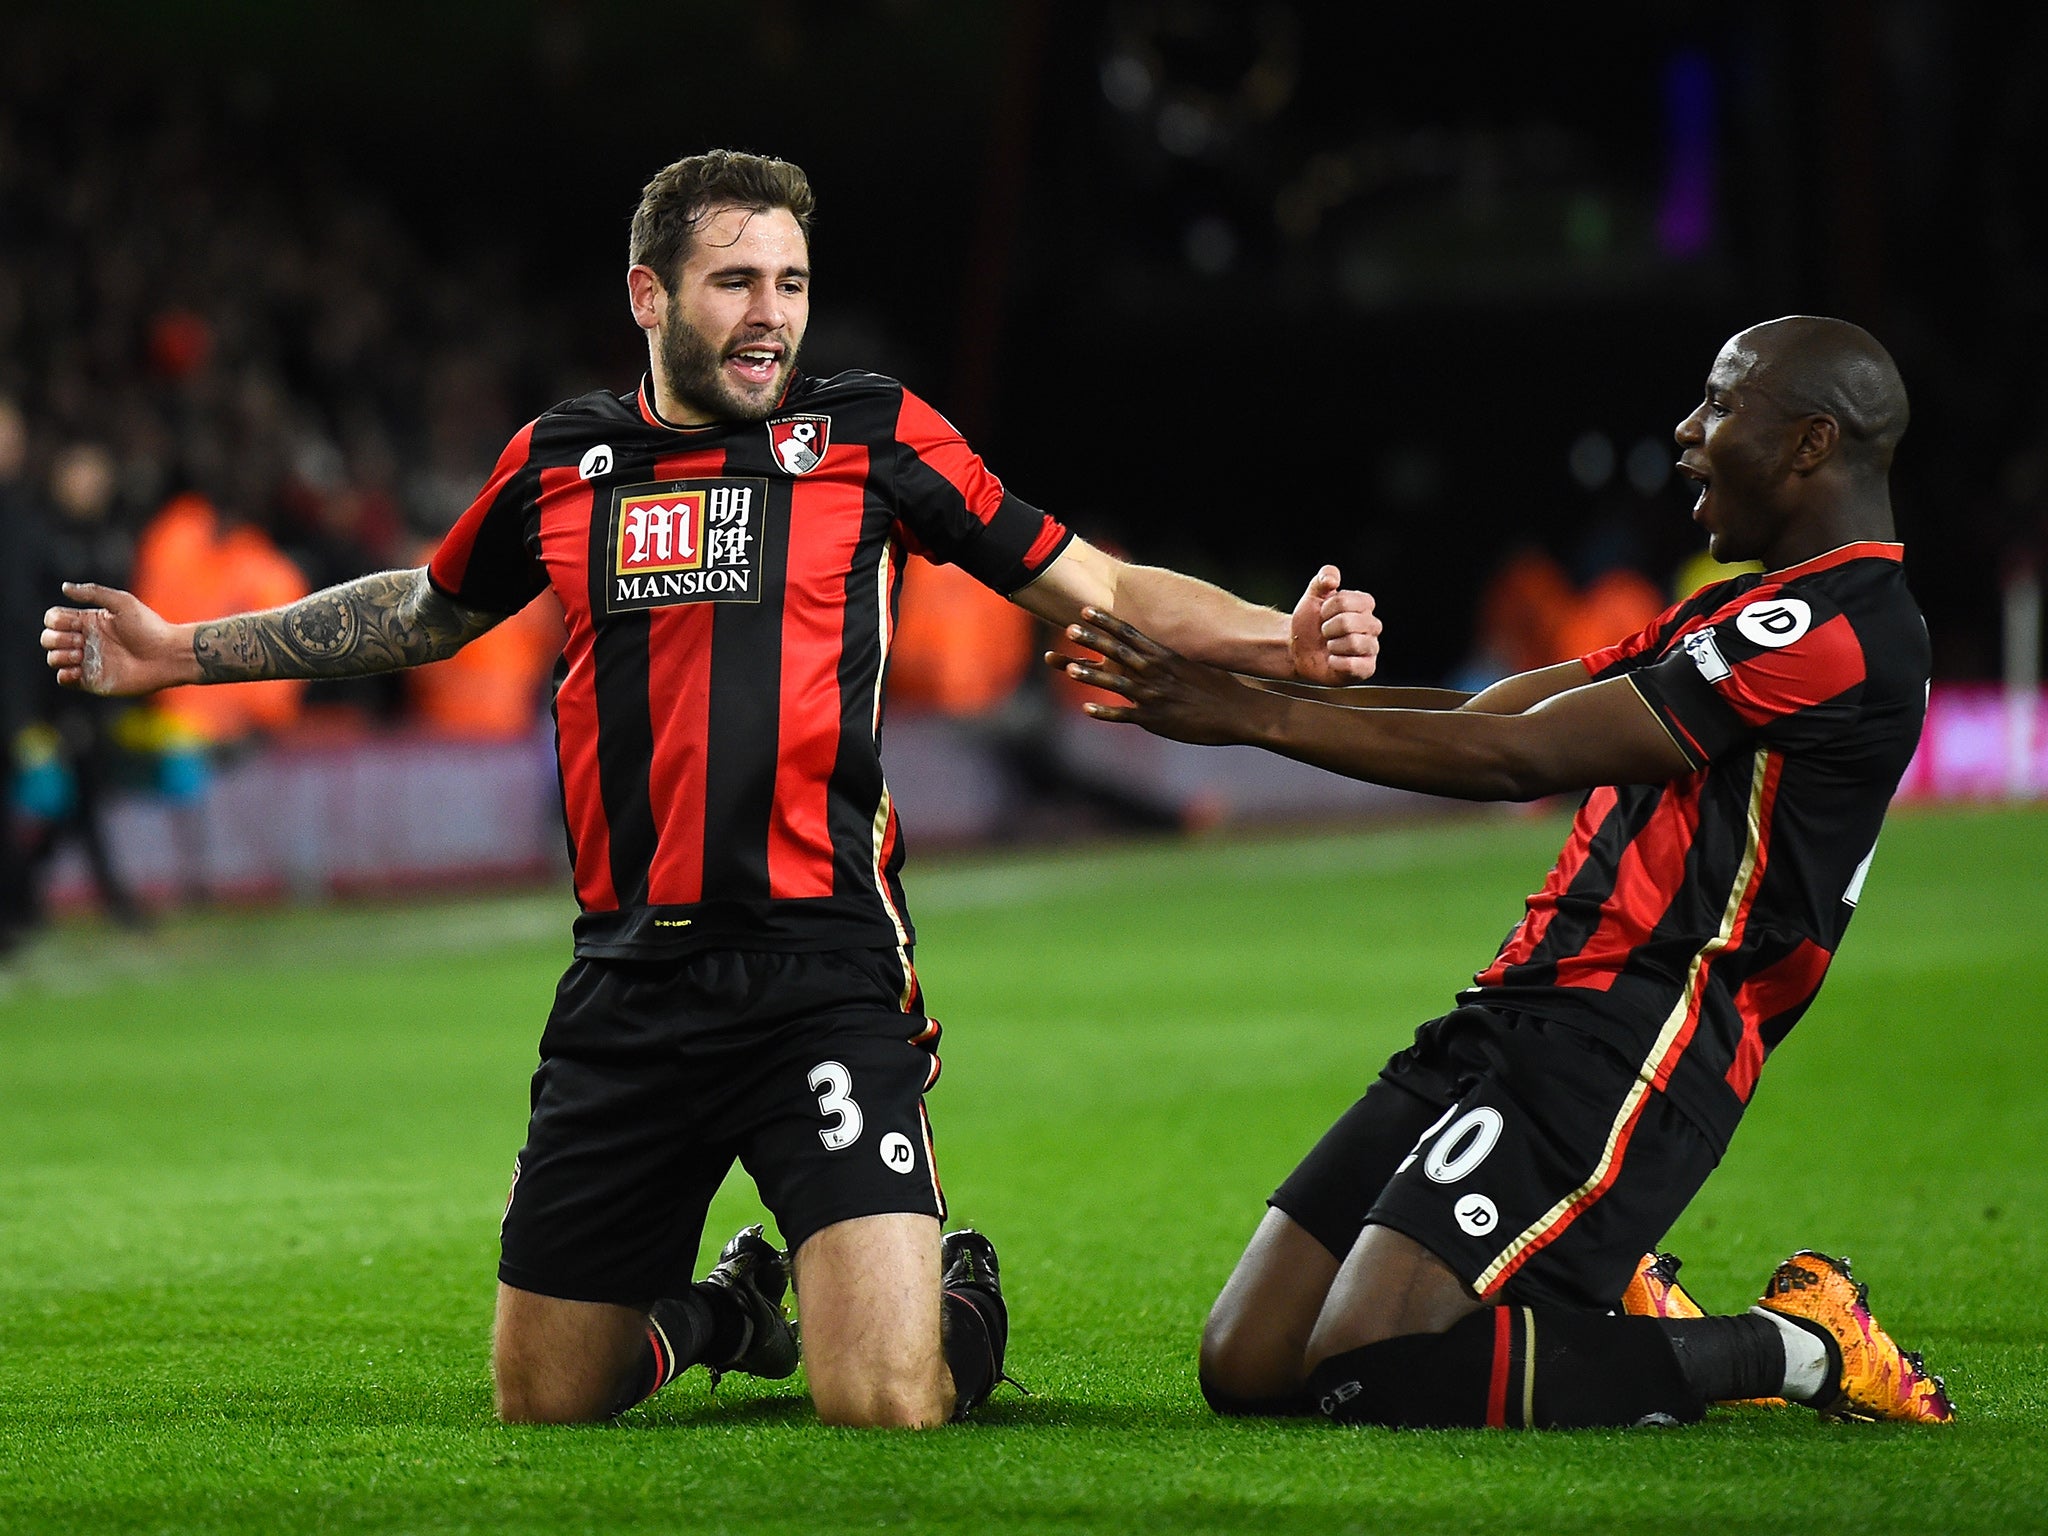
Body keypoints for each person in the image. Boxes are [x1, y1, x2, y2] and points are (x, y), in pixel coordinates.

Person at [41, 150, 1383, 1429]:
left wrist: (1280, 637)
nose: (770, 317)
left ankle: (960, 1296)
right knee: (549, 1398)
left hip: (820, 969)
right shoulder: (560, 461)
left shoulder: (874, 436)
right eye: (737, 283)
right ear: (650, 296)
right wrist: (182, 651)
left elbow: (1100, 580)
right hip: (626, 987)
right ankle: (729, 1316)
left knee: (885, 1401)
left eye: (790, 285)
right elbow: (423, 612)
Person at [1052, 316, 1955, 1429]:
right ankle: (1599, 1291)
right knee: (1250, 1361)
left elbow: (1514, 760)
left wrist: (1242, 716)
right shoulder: (1735, 611)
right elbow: (1492, 710)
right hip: (1521, 1004)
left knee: (1370, 1365)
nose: (1685, 431)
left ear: (1811, 443)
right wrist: (1254, 696)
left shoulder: (1843, 634)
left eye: (1719, 405)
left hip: (1638, 1032)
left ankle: (1793, 1346)